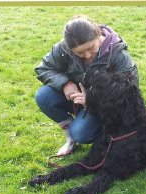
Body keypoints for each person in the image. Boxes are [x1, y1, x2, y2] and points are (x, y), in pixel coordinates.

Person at [34, 15, 139, 155]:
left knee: (81, 133)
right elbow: (44, 68)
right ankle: (70, 137)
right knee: (43, 96)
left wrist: (91, 100)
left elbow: (128, 94)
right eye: (80, 52)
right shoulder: (63, 49)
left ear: (97, 34)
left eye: (91, 47)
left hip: (105, 107)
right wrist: (66, 84)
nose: (88, 55)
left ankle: (108, 136)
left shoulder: (120, 57)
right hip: (76, 97)